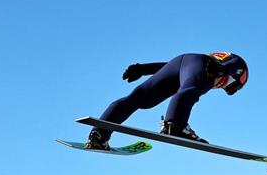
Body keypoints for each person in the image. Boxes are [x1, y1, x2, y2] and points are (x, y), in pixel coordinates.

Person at [85, 52, 248, 150]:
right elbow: (237, 64)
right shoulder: (228, 68)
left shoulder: (200, 62)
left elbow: (172, 66)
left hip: (180, 62)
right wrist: (223, 70)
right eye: (230, 86)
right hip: (203, 65)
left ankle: (99, 135)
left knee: (139, 98)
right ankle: (175, 126)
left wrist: (143, 69)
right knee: (190, 90)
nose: (222, 87)